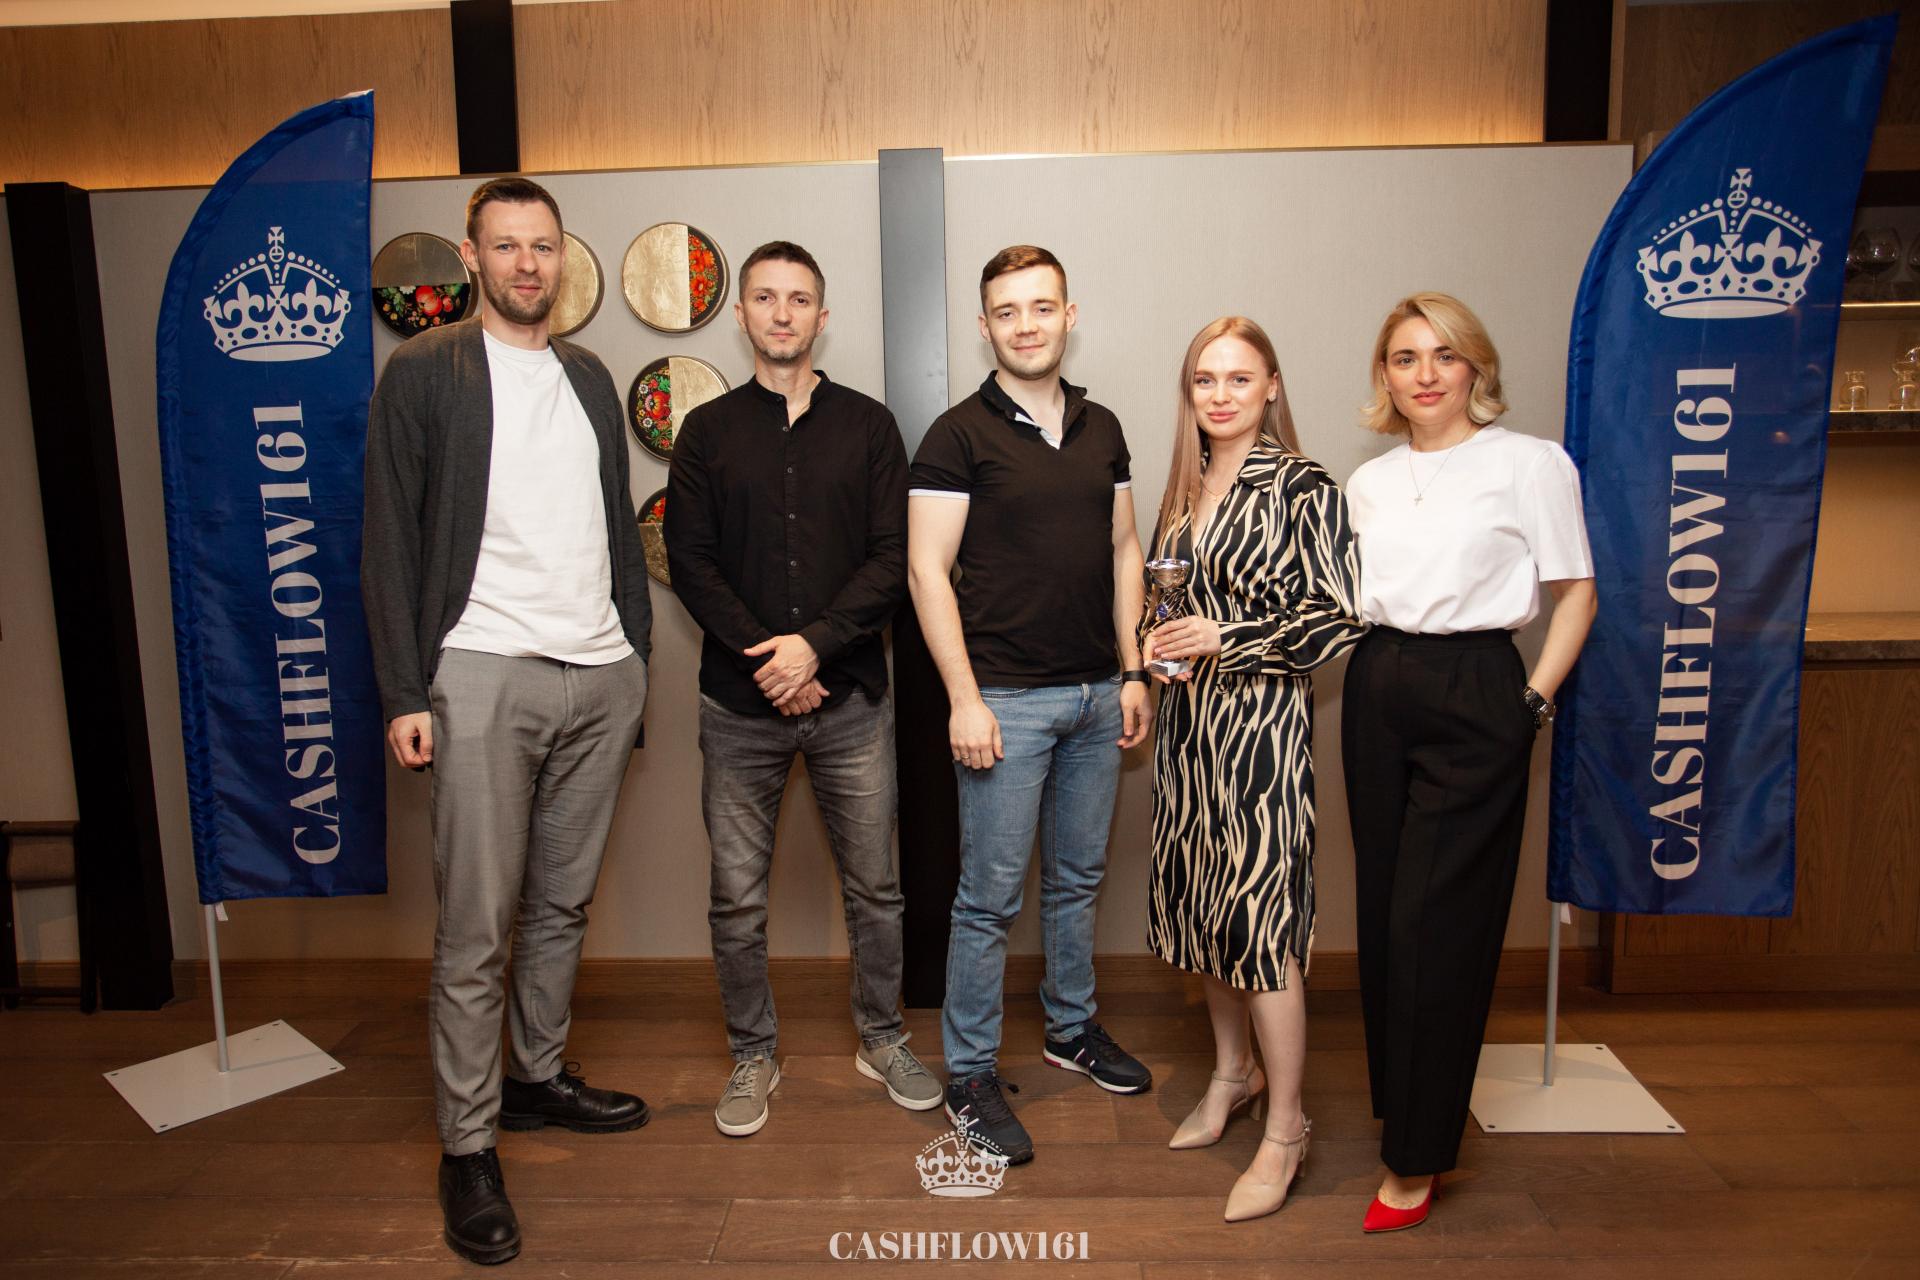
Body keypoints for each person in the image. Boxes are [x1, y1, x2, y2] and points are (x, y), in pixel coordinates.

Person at [362, 178, 652, 1266]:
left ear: (561, 256)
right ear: (473, 257)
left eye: (544, 245)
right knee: (477, 924)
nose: (528, 263)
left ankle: (534, 1077)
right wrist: (404, 690)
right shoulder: (425, 369)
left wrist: (635, 658)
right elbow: (387, 535)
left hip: (599, 675)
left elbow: (613, 525)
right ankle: (468, 1143)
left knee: (561, 903)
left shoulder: (590, 375)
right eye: (507, 246)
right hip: (482, 671)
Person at [665, 240, 938, 1138]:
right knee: (736, 896)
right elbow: (691, 563)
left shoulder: (870, 427)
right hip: (738, 707)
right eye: (765, 297)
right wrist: (772, 662)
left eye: (799, 298)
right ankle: (754, 1053)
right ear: (741, 312)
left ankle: (882, 1037)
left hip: (850, 701)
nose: (782, 313)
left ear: (823, 316)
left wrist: (812, 649)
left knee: (877, 890)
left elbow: (892, 561)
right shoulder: (705, 433)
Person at [1341, 292, 1596, 1233]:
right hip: (1376, 688)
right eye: (1406, 358)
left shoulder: (1531, 463)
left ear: (1476, 367)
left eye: (1444, 355)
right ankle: (1405, 1111)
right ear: (1385, 375)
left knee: (1437, 928)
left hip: (1477, 687)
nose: (1426, 374)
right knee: (1385, 916)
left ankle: (1416, 1161)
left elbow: (1577, 594)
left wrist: (1532, 704)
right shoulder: (1369, 481)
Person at [906, 244, 1154, 1167]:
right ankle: (970, 1075)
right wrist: (963, 699)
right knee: (988, 900)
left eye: (1041, 307)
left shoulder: (1103, 426)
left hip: (1097, 695)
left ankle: (1070, 1029)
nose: (1026, 325)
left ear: (1068, 315)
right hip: (1004, 701)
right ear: (985, 327)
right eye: (1007, 312)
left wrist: (1133, 672)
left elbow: (1125, 550)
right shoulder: (956, 435)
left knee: (1078, 880)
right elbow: (925, 570)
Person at [1141, 316, 1366, 1222]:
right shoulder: (1185, 488)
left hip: (1262, 734)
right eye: (1205, 379)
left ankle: (1287, 1125)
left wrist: (1224, 637)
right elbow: (1166, 599)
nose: (1221, 395)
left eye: (1240, 378)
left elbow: (1340, 617)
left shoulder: (1303, 484)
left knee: (1262, 925)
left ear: (1272, 386)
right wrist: (1154, 644)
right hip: (1190, 732)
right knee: (1209, 911)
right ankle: (1232, 1075)